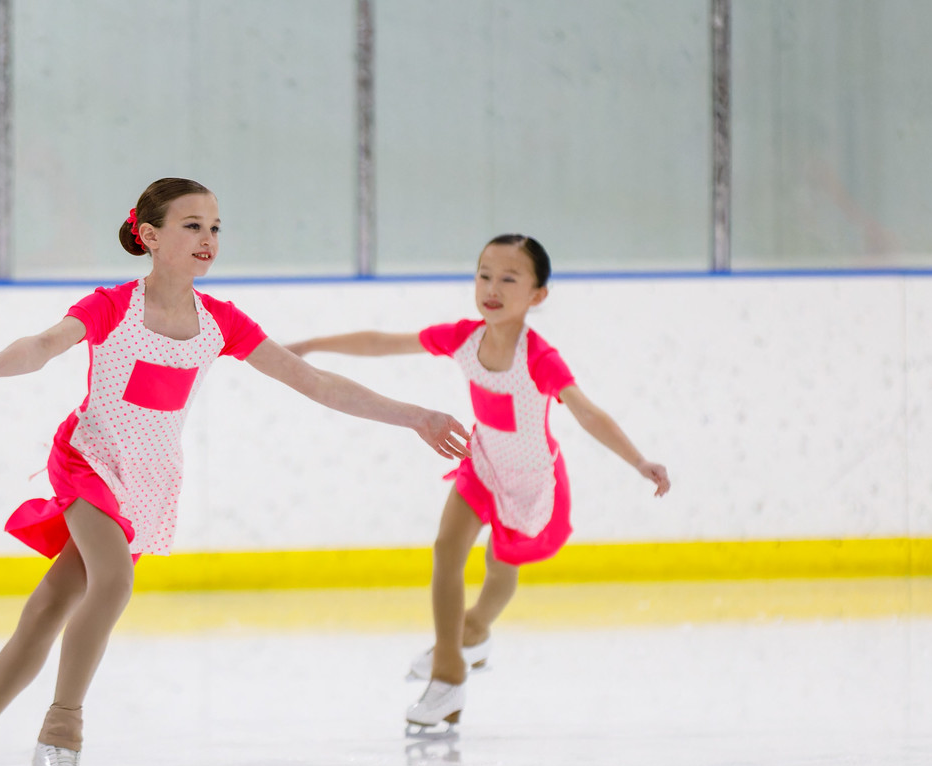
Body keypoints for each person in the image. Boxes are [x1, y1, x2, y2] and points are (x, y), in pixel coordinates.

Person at [0, 177, 468, 766]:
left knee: (50, 607)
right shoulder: (112, 306)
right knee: (110, 581)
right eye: (192, 225)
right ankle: (62, 734)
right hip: (90, 459)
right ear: (149, 235)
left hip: (148, 479)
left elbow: (313, 382)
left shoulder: (220, 323)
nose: (208, 239)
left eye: (216, 227)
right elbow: (43, 345)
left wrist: (415, 416)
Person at [287, 234, 670, 736]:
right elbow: (385, 343)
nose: (492, 287)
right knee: (447, 549)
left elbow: (586, 412)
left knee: (498, 567)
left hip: (532, 478)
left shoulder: (540, 359)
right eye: (484, 274)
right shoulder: (463, 337)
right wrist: (314, 345)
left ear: (538, 295)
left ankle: (477, 630)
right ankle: (449, 672)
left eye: (509, 278)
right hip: (483, 461)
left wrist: (638, 460)